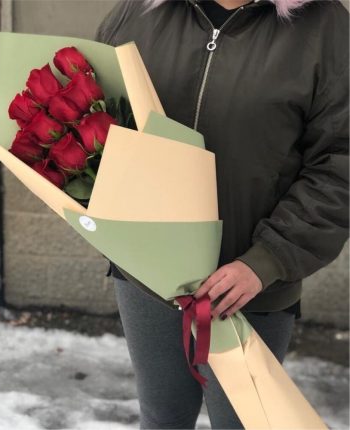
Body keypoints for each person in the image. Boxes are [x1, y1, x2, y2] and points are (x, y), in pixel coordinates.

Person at [95, 0, 349, 428]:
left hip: (247, 288)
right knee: (162, 417)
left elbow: (339, 164)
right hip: (146, 274)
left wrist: (266, 260)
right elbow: (97, 112)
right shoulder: (141, 10)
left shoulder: (325, 28)